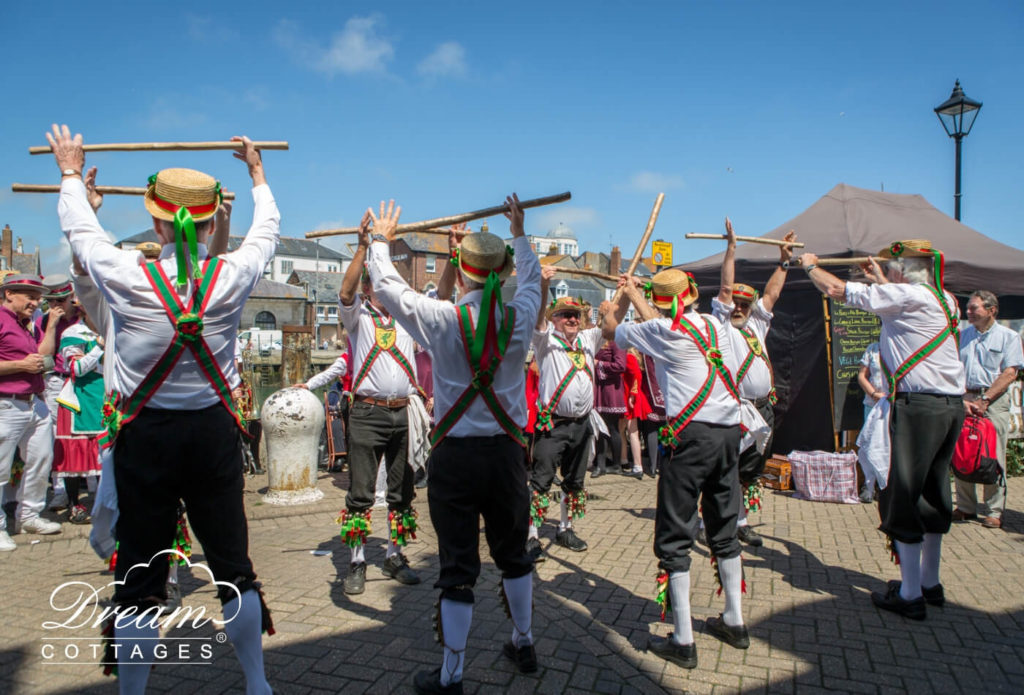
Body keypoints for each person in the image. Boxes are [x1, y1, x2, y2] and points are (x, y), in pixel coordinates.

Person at [49, 123, 276, 692]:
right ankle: (257, 684)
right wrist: (257, 175)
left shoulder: (126, 274)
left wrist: (72, 176)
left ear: (155, 220)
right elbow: (267, 231)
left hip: (145, 437)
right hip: (212, 435)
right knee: (232, 566)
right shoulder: (234, 276)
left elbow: (82, 235)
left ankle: (132, 691)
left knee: (139, 572)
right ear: (207, 220)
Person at [364, 196, 540, 695]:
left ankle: (453, 675)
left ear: (458, 272)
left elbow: (390, 288)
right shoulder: (521, 315)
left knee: (458, 565)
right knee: (513, 554)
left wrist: (379, 239)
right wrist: (520, 233)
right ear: (501, 272)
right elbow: (533, 282)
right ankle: (524, 643)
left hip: (456, 458)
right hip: (507, 455)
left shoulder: (439, 318)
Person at [800, 239, 964, 621]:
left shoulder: (906, 295)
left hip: (918, 406)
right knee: (934, 491)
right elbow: (894, 302)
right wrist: (880, 276)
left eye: (893, 266)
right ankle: (929, 583)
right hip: (949, 406)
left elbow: (835, 290)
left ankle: (909, 595)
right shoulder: (946, 299)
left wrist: (809, 265)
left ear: (903, 272)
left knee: (903, 490)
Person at [603, 269, 747, 669]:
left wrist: (618, 300)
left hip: (691, 438)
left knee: (676, 532)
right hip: (729, 435)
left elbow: (611, 330)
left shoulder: (663, 331)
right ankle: (734, 622)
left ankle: (683, 641)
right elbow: (660, 322)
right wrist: (634, 293)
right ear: (693, 295)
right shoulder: (719, 326)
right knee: (724, 524)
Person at [335, 211, 422, 595]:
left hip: (402, 411)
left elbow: (446, 301)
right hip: (368, 411)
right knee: (361, 492)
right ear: (370, 288)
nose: (380, 289)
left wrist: (453, 258)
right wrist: (363, 247)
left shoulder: (408, 320)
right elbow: (344, 292)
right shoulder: (359, 318)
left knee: (403, 491)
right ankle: (355, 562)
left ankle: (393, 555)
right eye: (374, 283)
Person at [706, 218, 796, 547]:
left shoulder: (757, 325)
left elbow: (771, 293)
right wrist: (731, 249)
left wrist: (784, 260)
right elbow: (726, 289)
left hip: (763, 410)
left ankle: (741, 520)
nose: (740, 307)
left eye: (746, 304)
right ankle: (711, 523)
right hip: (734, 410)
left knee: (751, 469)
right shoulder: (721, 324)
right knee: (725, 469)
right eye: (737, 304)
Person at [528, 266, 602, 559]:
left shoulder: (588, 340)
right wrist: (544, 284)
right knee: (541, 481)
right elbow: (537, 317)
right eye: (565, 315)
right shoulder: (545, 342)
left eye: (576, 316)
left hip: (582, 425)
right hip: (553, 425)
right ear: (554, 320)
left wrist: (624, 292)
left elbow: (613, 321)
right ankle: (532, 535)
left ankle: (564, 528)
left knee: (575, 482)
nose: (572, 319)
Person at [0, 273, 63, 550]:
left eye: (38, 297)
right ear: (9, 294)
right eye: (31, 296)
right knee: (1, 469)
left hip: (32, 401)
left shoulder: (26, 324)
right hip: (6, 402)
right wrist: (19, 366)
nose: (36, 302)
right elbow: (25, 363)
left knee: (41, 459)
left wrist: (50, 327)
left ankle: (29, 515)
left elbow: (43, 358)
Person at [954, 290, 1023, 529]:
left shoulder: (1009, 336)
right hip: (965, 397)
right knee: (963, 450)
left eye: (974, 308)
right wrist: (963, 397)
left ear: (991, 310)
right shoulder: (963, 335)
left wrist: (985, 399)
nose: (969, 312)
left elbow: (1010, 373)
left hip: (994, 400)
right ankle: (965, 507)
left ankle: (994, 510)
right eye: (969, 308)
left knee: (993, 453)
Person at [51, 305, 105, 524]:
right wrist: (99, 346)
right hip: (80, 400)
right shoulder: (73, 333)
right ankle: (75, 504)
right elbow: (77, 369)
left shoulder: (109, 330)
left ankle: (105, 503)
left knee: (106, 454)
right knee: (76, 455)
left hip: (105, 397)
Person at [39, 275, 79, 511]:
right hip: (56, 380)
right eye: (53, 301)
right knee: (58, 436)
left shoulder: (83, 316)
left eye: (62, 300)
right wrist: (51, 326)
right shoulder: (44, 321)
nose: (58, 306)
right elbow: (44, 358)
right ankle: (60, 490)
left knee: (84, 432)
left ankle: (90, 486)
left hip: (82, 380)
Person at [856, 341, 887, 502]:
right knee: (868, 445)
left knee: (889, 446)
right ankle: (868, 486)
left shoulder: (900, 346)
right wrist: (874, 394)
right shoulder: (873, 348)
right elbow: (862, 375)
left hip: (892, 404)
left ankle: (886, 487)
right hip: (872, 403)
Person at [592, 338, 626, 478]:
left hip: (611, 389)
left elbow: (620, 365)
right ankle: (601, 465)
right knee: (600, 427)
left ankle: (616, 465)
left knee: (612, 428)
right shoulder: (599, 341)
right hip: (599, 387)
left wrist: (598, 364)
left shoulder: (617, 342)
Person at [621, 347, 651, 479]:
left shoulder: (629, 357)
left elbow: (637, 376)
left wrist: (632, 394)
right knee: (626, 430)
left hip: (630, 398)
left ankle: (636, 465)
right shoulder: (633, 357)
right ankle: (625, 461)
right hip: (631, 396)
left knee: (631, 432)